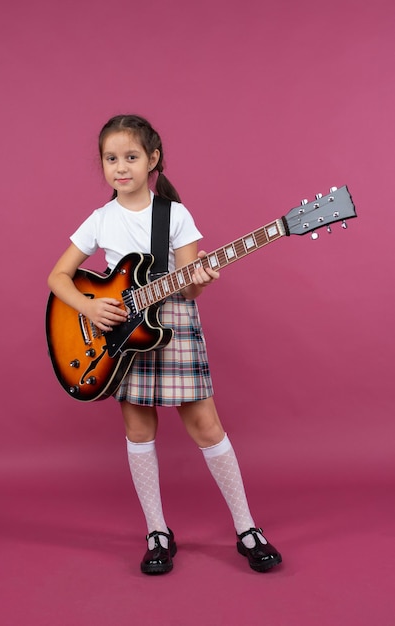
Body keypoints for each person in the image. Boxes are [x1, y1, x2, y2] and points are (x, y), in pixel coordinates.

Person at [48, 114, 282, 575]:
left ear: (152, 160)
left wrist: (199, 282)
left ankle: (246, 528)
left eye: (131, 157)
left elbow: (190, 286)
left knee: (206, 427)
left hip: (173, 320)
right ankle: (157, 531)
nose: (121, 167)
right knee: (139, 431)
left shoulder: (174, 215)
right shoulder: (99, 219)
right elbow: (58, 277)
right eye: (111, 158)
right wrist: (91, 308)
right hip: (121, 333)